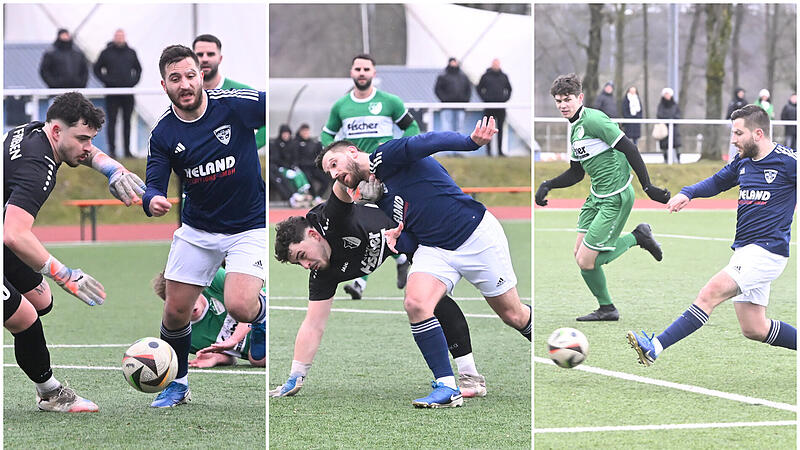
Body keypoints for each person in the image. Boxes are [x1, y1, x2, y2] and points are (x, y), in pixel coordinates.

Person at [316, 116, 531, 408]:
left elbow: (426, 142)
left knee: (514, 316)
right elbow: (412, 236)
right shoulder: (374, 193)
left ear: (352, 152)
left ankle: (551, 341)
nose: (334, 175)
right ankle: (447, 386)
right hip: (436, 249)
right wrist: (398, 239)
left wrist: (470, 142)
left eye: (334, 164)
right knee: (416, 303)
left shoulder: (384, 156)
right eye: (329, 173)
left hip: (476, 236)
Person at [270, 183, 487, 399]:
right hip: (415, 247)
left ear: (313, 235)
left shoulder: (331, 220)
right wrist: (296, 375)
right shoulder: (323, 273)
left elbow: (339, 183)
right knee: (430, 301)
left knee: (508, 310)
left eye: (302, 256)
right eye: (299, 264)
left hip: (421, 219)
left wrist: (359, 177)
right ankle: (469, 377)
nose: (306, 265)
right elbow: (313, 324)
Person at [4, 92, 145, 412]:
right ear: (57, 131)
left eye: (90, 138)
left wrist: (113, 170)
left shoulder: (34, 131)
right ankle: (50, 393)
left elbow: (88, 151)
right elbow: (14, 234)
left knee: (40, 299)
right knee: (24, 316)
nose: (87, 147)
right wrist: (64, 274)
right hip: (4, 235)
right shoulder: (37, 167)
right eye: (82, 138)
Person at [142, 45, 266, 408]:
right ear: (164, 85)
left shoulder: (236, 104)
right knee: (175, 311)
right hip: (198, 230)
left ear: (202, 76)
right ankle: (177, 384)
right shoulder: (163, 133)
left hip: (248, 225)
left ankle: (260, 316)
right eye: (175, 78)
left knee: (240, 306)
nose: (185, 84)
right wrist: (152, 200)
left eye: (190, 75)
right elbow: (153, 183)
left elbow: (275, 108)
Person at [628, 104, 797, 366]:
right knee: (754, 327)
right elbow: (718, 182)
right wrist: (688, 192)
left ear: (759, 134)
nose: (733, 139)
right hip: (746, 250)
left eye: (739, 133)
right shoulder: (743, 161)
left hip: (767, 251)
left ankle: (656, 346)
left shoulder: (788, 162)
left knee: (710, 293)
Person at [535, 74, 670, 322]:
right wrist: (548, 185)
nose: (563, 105)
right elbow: (577, 173)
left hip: (615, 197)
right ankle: (607, 308)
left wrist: (648, 187)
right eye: (558, 101)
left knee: (587, 260)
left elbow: (629, 147)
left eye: (568, 99)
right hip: (596, 196)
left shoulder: (594, 120)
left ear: (580, 98)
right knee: (579, 254)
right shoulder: (575, 130)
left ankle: (637, 237)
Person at [320, 54, 418, 299]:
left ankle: (362, 282)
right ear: (351, 72)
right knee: (372, 225)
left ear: (374, 73)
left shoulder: (390, 101)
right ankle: (401, 258)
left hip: (387, 172)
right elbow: (326, 137)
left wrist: (400, 150)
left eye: (366, 68)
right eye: (357, 68)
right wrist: (336, 160)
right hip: (359, 177)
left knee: (375, 224)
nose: (361, 72)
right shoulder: (341, 106)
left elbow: (412, 128)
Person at [152, 269, 266, 368]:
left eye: (189, 296)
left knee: (256, 358)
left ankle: (260, 323)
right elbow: (230, 357)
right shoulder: (185, 334)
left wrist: (234, 339)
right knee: (257, 359)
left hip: (264, 312)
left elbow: (251, 299)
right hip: (256, 352)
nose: (189, 306)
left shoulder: (214, 279)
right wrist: (215, 358)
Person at [192, 34, 266, 150]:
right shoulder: (187, 97)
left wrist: (252, 146)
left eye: (210, 54)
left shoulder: (240, 92)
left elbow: (267, 118)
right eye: (200, 55)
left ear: (220, 58)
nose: (205, 59)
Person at [93, 29, 142, 158]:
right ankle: (112, 151)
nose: (119, 38)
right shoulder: (106, 53)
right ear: (114, 37)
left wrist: (132, 82)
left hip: (128, 93)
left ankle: (127, 151)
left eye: (122, 36)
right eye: (117, 36)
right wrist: (107, 82)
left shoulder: (131, 53)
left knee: (127, 121)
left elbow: (138, 69)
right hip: (112, 93)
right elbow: (96, 69)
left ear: (125, 37)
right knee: (112, 122)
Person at [269, 124, 313, 208]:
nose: (286, 135)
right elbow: (276, 158)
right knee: (284, 178)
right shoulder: (276, 144)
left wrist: (294, 166)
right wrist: (284, 167)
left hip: (291, 168)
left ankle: (304, 195)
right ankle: (294, 196)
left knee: (300, 175)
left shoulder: (293, 144)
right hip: (280, 168)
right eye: (284, 134)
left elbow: (295, 158)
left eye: (287, 133)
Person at [477, 58, 512, 156]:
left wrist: (504, 99)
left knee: (500, 129)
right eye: (494, 64)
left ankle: (500, 151)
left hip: (501, 107)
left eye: (497, 64)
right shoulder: (485, 76)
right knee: (488, 130)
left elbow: (509, 89)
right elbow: (479, 88)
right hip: (489, 107)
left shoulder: (504, 76)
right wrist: (485, 99)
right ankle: (489, 152)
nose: (496, 65)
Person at [434, 57, 472, 133]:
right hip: (447, 107)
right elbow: (437, 90)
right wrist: (445, 99)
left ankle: (458, 145)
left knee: (459, 129)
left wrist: (465, 100)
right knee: (447, 129)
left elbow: (469, 89)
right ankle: (447, 145)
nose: (454, 64)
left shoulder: (463, 77)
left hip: (460, 107)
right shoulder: (443, 76)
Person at [293, 124, 329, 200]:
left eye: (307, 131)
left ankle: (318, 196)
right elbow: (295, 157)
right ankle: (313, 196)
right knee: (308, 178)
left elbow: (318, 155)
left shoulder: (313, 143)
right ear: (300, 132)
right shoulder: (296, 143)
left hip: (313, 167)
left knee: (326, 179)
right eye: (304, 131)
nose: (306, 133)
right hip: (303, 168)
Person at [656, 87, 682, 163]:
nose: (667, 96)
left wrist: (673, 120)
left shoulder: (675, 105)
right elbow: (659, 115)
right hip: (664, 128)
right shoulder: (661, 105)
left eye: (668, 94)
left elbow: (678, 115)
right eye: (666, 94)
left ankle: (679, 159)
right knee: (664, 145)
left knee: (677, 144)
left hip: (674, 128)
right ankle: (666, 159)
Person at [726, 88, 748, 160]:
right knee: (734, 142)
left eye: (742, 93)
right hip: (735, 125)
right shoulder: (733, 102)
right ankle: (731, 159)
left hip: (744, 126)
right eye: (740, 93)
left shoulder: (745, 102)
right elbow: (730, 114)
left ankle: (743, 158)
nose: (742, 94)